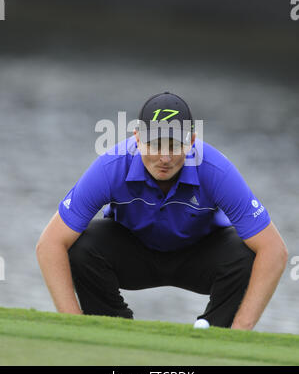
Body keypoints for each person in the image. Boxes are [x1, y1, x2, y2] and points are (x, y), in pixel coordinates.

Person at [36, 92, 288, 330]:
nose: (164, 158)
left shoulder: (215, 169)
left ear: (190, 141)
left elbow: (274, 250)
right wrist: (74, 324)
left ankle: (217, 334)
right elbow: (50, 245)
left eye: (174, 145)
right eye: (154, 144)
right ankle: (112, 329)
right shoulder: (111, 166)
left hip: (199, 254)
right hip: (133, 253)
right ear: (137, 138)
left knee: (247, 253)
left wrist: (241, 328)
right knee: (82, 245)